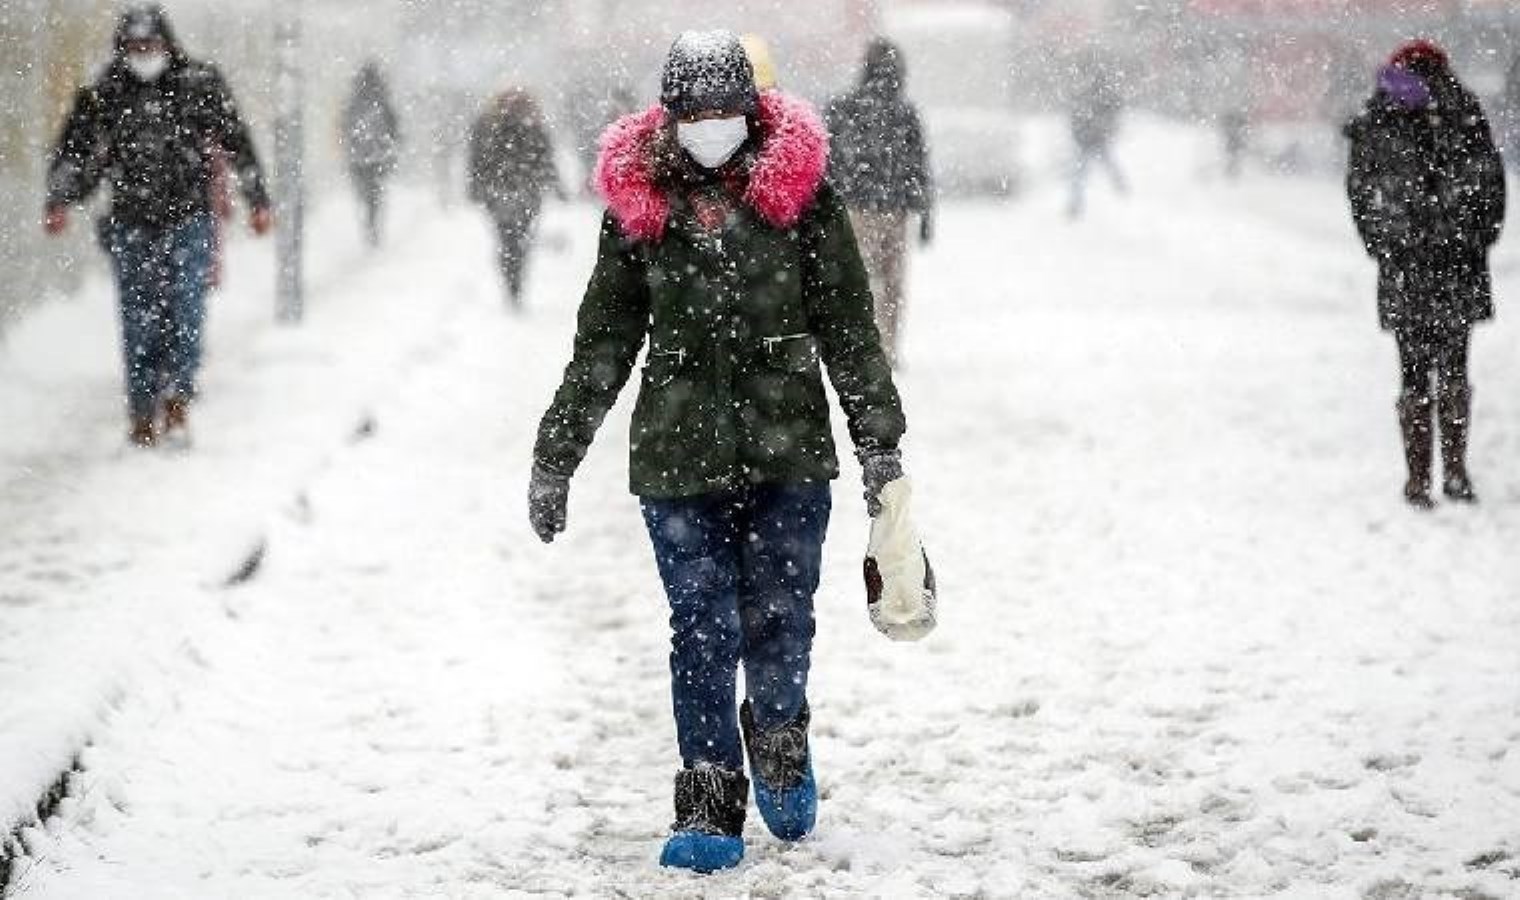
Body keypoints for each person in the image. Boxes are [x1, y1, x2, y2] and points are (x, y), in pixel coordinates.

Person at [527, 31, 907, 873]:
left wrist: (880, 447)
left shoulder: (802, 198)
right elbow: (603, 339)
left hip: (789, 452)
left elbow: (849, 328)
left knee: (780, 616)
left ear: (751, 109)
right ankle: (706, 797)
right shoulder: (640, 208)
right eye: (693, 112)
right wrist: (557, 454)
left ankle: (777, 737)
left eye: (723, 110)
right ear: (671, 115)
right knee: (701, 625)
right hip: (676, 456)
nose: (709, 125)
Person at [43, 4, 271, 448]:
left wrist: (257, 199)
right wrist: (60, 198)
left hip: (189, 218)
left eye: (150, 45)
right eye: (135, 47)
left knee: (185, 310)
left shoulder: (197, 84)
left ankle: (178, 399)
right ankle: (143, 408)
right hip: (131, 223)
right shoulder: (104, 91)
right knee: (139, 319)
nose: (143, 54)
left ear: (167, 45)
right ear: (122, 48)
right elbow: (74, 149)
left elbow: (236, 140)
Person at [1345, 40, 1503, 507]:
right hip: (1458, 263)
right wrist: (1475, 238)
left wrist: (1382, 242)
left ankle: (1418, 479)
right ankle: (1454, 471)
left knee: (1413, 373)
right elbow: (1491, 185)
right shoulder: (1464, 111)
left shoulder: (1381, 117)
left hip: (1405, 264)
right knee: (1455, 366)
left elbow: (1360, 191)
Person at [825, 38, 933, 369]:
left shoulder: (842, 107)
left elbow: (826, 163)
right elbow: (919, 166)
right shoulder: (905, 113)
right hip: (895, 212)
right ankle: (887, 349)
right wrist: (925, 214)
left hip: (852, 211)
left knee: (854, 283)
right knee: (892, 286)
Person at [467, 88, 561, 308]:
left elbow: (477, 158)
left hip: (498, 191)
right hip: (526, 192)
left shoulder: (488, 124)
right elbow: (545, 157)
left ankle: (511, 280)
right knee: (520, 240)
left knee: (506, 239)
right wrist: (555, 185)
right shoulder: (533, 123)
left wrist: (475, 186)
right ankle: (515, 280)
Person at [342, 61, 401, 248]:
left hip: (358, 156)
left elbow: (346, 125)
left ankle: (369, 222)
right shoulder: (381, 98)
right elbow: (394, 126)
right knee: (375, 192)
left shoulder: (355, 99)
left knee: (365, 191)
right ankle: (373, 222)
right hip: (378, 155)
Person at [1068, 64, 1128, 219]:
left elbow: (1076, 118)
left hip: (1091, 140)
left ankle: (1076, 204)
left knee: (1081, 174)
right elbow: (1077, 119)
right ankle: (1120, 187)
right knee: (1090, 171)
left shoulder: (1090, 97)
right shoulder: (1100, 97)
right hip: (1092, 139)